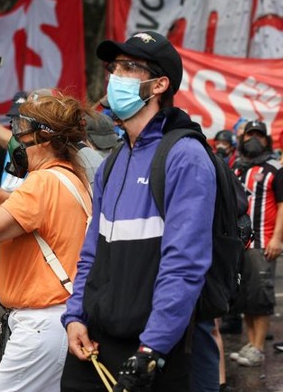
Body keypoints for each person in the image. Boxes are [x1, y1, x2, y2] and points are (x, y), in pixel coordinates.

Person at [61, 31, 216, 391]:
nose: (115, 76)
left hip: (151, 348)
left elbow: (184, 265)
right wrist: (75, 318)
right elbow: (91, 254)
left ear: (159, 84)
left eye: (130, 67)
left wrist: (153, 348)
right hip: (95, 341)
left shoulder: (185, 157)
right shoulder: (113, 162)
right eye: (113, 66)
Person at [0, 92, 92, 391]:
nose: (15, 138)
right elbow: (13, 204)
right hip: (59, 319)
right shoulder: (67, 177)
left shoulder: (42, 182)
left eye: (20, 129)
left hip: (40, 324)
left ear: (43, 137)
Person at [229, 120, 283, 367]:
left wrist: (277, 238)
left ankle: (259, 346)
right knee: (245, 297)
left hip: (263, 242)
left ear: (266, 140)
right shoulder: (238, 168)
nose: (253, 139)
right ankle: (251, 344)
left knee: (260, 296)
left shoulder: (275, 169)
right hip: (241, 245)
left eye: (258, 135)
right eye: (249, 134)